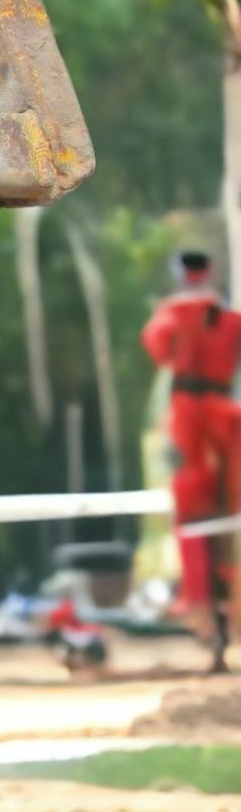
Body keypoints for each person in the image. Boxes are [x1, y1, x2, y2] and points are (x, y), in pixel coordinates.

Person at [141, 250, 241, 670]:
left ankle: (200, 605)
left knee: (190, 517)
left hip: (188, 416)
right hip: (223, 412)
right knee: (232, 510)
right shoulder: (229, 317)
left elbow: (159, 351)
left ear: (182, 274)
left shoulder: (171, 314)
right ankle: (228, 605)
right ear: (211, 271)